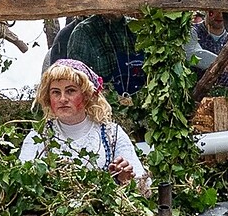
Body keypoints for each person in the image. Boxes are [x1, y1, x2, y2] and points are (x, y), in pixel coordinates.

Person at [19, 59, 150, 193]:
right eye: (56, 92)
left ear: (87, 95)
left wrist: (125, 179)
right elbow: (22, 188)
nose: (62, 99)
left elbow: (145, 190)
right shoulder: (38, 137)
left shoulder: (112, 134)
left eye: (70, 91)